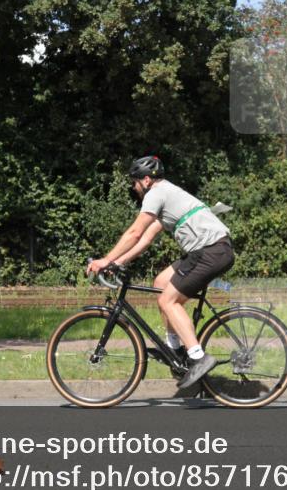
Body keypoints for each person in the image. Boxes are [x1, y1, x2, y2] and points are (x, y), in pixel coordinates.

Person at [86, 156, 235, 388]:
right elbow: (145, 239)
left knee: (169, 301)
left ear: (146, 180)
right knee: (161, 282)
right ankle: (175, 350)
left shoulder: (157, 193)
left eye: (134, 183)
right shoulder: (167, 195)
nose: (134, 188)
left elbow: (134, 233)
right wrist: (119, 262)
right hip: (207, 250)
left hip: (210, 251)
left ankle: (198, 356)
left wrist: (105, 260)